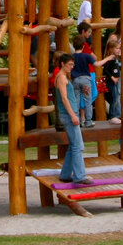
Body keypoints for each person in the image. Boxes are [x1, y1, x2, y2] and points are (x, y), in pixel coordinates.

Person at [52, 54, 92, 186]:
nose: (71, 67)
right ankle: (80, 176)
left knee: (74, 145)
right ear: (62, 64)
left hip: (70, 113)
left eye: (72, 65)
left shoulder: (65, 77)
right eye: (69, 64)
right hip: (68, 114)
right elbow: (64, 98)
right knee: (78, 146)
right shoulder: (61, 78)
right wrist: (73, 115)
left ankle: (65, 174)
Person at [70, 22, 97, 128]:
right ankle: (86, 119)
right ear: (83, 32)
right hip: (88, 72)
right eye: (89, 32)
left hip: (77, 77)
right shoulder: (83, 44)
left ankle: (81, 118)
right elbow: (94, 57)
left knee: (78, 97)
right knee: (90, 95)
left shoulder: (74, 53)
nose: (89, 34)